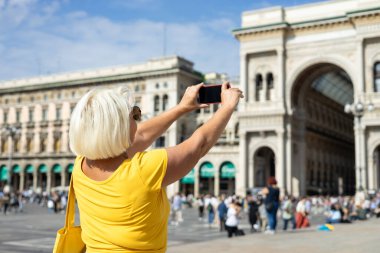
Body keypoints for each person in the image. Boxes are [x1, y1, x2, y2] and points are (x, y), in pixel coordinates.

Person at [68, 83, 243, 252]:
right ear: (118, 127)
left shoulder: (80, 165)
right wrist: (227, 107)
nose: (138, 121)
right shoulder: (144, 170)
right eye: (134, 115)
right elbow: (199, 145)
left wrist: (181, 107)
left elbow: (142, 134)